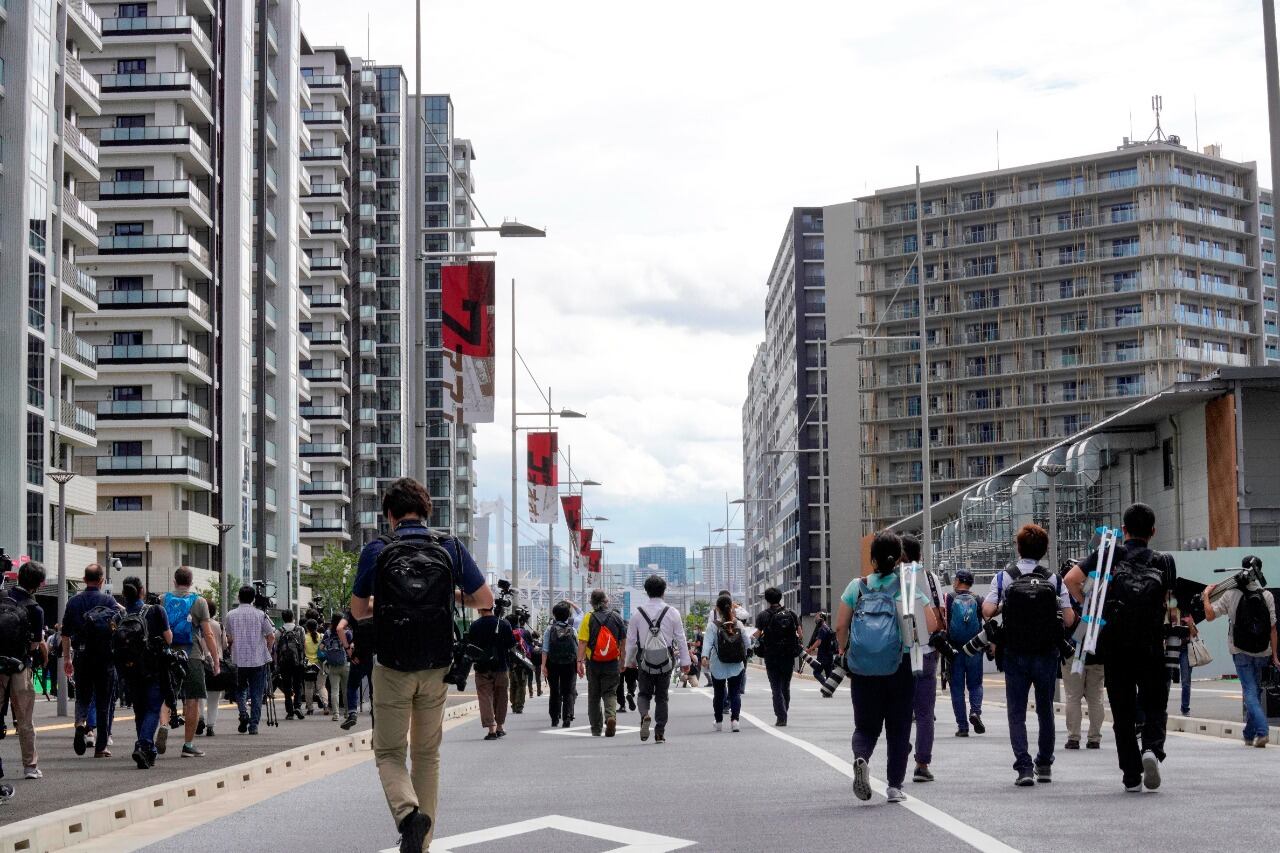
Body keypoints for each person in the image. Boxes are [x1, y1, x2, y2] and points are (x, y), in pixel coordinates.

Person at [349, 477, 492, 853]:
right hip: (436, 665)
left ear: (390, 515)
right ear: (427, 511)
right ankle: (422, 846)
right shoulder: (449, 547)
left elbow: (358, 610)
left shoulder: (377, 550)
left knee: (389, 752)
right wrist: (449, 593)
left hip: (392, 665)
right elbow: (484, 600)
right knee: (427, 755)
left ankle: (408, 815)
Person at [1066, 503, 1175, 793]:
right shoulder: (1163, 560)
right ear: (1153, 531)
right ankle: (1151, 748)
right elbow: (1170, 603)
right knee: (1154, 704)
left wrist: (1089, 613)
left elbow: (1070, 580)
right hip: (1151, 643)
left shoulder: (1109, 554)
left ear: (1123, 529)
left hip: (1115, 644)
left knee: (1123, 710)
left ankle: (1131, 775)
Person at [837, 532, 939, 804]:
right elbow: (931, 625)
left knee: (865, 726)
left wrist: (845, 649)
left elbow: (840, 626)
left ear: (872, 559)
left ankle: (861, 757)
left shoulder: (856, 587)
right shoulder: (907, 589)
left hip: (862, 669)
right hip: (900, 666)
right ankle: (894, 786)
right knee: (899, 727)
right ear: (898, 560)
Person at [983, 523, 1076, 787]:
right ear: (1045, 549)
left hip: (1014, 652)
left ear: (1018, 547)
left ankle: (1023, 767)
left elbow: (988, 610)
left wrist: (1004, 604)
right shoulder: (1054, 579)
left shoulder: (1004, 577)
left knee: (1017, 711)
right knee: (1045, 709)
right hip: (1046, 652)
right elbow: (1069, 619)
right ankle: (1044, 763)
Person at [1202, 561, 1279, 748]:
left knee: (1250, 692)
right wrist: (1275, 655)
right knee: (1256, 691)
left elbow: (1210, 615)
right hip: (1263, 651)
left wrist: (1205, 596)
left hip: (1240, 651)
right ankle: (1248, 734)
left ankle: (1262, 732)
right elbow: (1273, 628)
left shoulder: (1231, 594)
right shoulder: (1267, 595)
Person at [61, 564, 123, 758]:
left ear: (84, 579)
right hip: (105, 659)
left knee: (83, 697)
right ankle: (101, 747)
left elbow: (65, 634)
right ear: (102, 580)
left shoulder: (73, 602)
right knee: (104, 702)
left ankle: (80, 724)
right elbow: (120, 625)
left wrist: (67, 659)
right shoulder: (108, 601)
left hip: (82, 656)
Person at [902, 535, 947, 783]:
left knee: (898, 709)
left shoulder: (891, 578)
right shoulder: (930, 578)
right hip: (927, 650)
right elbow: (940, 614)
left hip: (899, 653)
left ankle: (899, 749)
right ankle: (922, 763)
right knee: (924, 713)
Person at [625, 575, 690, 744]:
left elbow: (631, 641)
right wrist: (685, 662)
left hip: (643, 658)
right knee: (662, 697)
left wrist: (629, 661)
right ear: (664, 591)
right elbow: (681, 639)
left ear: (646, 591)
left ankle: (645, 715)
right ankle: (659, 732)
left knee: (644, 693)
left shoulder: (637, 614)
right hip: (666, 659)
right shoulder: (672, 612)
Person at [163, 567, 220, 758]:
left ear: (174, 581)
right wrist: (216, 660)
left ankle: (163, 726)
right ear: (191, 581)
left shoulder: (163, 599)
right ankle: (188, 745)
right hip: (192, 654)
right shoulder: (199, 601)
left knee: (166, 695)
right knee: (193, 699)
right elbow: (208, 634)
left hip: (168, 654)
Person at [116, 577, 171, 768]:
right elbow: (169, 638)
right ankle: (143, 744)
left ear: (124, 593)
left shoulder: (119, 616)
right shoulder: (156, 610)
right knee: (153, 708)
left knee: (139, 710)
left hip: (129, 670)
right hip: (153, 667)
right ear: (142, 590)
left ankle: (148, 752)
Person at [0, 560, 46, 779]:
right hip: (20, 666)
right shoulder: (35, 609)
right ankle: (30, 766)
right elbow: (35, 644)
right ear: (39, 584)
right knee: (25, 719)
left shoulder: (2, 598)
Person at [1060, 562, 1105, 751]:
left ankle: (1074, 737)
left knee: (1073, 696)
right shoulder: (1098, 593)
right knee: (1096, 698)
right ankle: (1094, 738)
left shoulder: (1066, 595)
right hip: (1097, 651)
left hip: (1073, 651)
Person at [224, 585, 276, 735]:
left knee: (239, 689)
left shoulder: (230, 615)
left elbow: (229, 638)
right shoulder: (261, 615)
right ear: (253, 599)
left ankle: (243, 713)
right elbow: (271, 636)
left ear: (239, 597)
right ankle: (254, 725)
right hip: (258, 659)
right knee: (257, 693)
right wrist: (268, 649)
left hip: (238, 660)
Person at [577, 589, 626, 737]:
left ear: (592, 603)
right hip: (612, 662)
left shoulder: (588, 618)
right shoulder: (616, 617)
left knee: (594, 696)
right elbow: (624, 641)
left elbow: (582, 642)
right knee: (610, 692)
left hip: (594, 663)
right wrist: (623, 660)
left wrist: (579, 662)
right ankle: (610, 716)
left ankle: (596, 728)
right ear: (606, 601)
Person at [945, 569, 985, 737]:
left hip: (955, 649)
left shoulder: (950, 598)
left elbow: (945, 620)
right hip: (974, 648)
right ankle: (975, 712)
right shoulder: (977, 599)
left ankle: (962, 727)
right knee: (975, 684)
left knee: (957, 688)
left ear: (958, 581)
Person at [754, 586, 801, 726]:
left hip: (771, 656)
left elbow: (757, 635)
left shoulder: (763, 615)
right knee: (785, 686)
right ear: (780, 598)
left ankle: (781, 716)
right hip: (788, 655)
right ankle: (784, 710)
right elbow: (800, 633)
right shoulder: (791, 614)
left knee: (775, 687)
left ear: (767, 600)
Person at [467, 605, 515, 740]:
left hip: (482, 667)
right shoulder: (504, 624)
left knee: (485, 697)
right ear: (492, 607)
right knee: (502, 697)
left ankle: (491, 728)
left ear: (479, 609)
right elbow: (511, 644)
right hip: (501, 666)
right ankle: (500, 726)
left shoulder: (475, 625)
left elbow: (470, 645)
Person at [703, 595, 748, 732]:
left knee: (719, 694)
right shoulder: (738, 624)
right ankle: (735, 721)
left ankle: (719, 722)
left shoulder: (713, 626)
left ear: (717, 609)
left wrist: (704, 657)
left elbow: (707, 644)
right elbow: (747, 643)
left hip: (718, 664)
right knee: (735, 693)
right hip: (736, 664)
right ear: (731, 607)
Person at [540, 601, 578, 728]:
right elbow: (576, 649)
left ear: (554, 615)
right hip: (569, 664)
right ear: (568, 616)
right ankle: (567, 717)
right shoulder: (572, 630)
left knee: (554, 691)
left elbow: (545, 649)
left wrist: (543, 666)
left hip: (553, 664)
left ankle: (554, 718)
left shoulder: (549, 630)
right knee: (568, 691)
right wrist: (579, 664)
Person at [338, 609, 373, 730]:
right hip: (376, 656)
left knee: (352, 686)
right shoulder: (381, 607)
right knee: (375, 691)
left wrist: (348, 649)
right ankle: (376, 728)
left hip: (358, 656)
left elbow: (339, 628)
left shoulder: (354, 611)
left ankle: (352, 713)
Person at [196, 600, 227, 737]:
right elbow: (225, 645)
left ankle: (200, 718)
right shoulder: (219, 625)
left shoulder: (198, 626)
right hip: (216, 662)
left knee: (200, 694)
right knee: (214, 697)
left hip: (201, 661)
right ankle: (210, 726)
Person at [275, 611, 307, 721]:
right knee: (298, 685)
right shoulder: (300, 629)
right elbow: (303, 645)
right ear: (293, 617)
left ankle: (289, 712)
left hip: (284, 663)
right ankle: (297, 706)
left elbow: (276, 649)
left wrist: (277, 663)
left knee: (287, 687)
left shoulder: (279, 631)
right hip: (298, 662)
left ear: (283, 618)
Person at [322, 613, 351, 722]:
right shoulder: (347, 632)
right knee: (346, 690)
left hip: (333, 665)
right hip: (345, 664)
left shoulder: (328, 633)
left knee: (334, 691)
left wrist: (329, 653)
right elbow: (352, 646)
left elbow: (321, 647)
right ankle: (348, 713)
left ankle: (336, 714)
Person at [806, 613, 837, 691]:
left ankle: (826, 687)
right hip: (829, 655)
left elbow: (818, 642)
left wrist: (810, 649)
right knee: (828, 674)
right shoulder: (828, 628)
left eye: (817, 618)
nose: (815, 619)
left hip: (823, 655)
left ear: (821, 619)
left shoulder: (822, 629)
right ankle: (829, 690)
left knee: (816, 673)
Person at [302, 618, 326, 715]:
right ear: (317, 627)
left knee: (308, 687)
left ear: (307, 628)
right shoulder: (322, 636)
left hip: (308, 665)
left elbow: (303, 651)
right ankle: (325, 705)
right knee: (321, 686)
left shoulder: (304, 637)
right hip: (320, 664)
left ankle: (310, 708)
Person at [506, 614, 529, 715]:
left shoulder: (506, 633)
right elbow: (530, 647)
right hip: (522, 663)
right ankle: (519, 706)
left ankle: (513, 704)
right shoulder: (524, 632)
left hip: (511, 663)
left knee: (513, 684)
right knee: (521, 684)